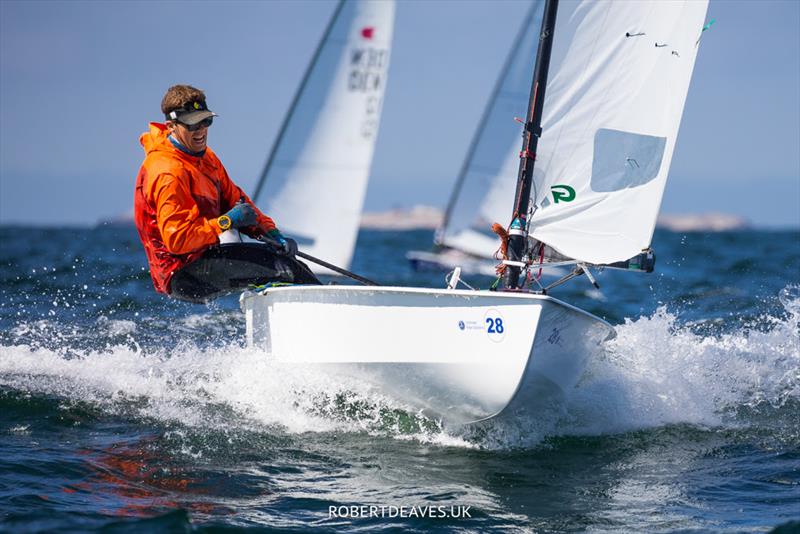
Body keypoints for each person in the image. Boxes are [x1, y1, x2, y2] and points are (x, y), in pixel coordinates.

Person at [134, 84, 319, 303]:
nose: (201, 130)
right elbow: (178, 240)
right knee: (284, 269)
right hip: (181, 274)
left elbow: (237, 201)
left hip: (206, 257)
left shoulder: (206, 159)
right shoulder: (167, 172)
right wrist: (225, 222)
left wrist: (271, 233)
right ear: (171, 126)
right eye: (192, 124)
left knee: (290, 264)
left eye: (206, 121)